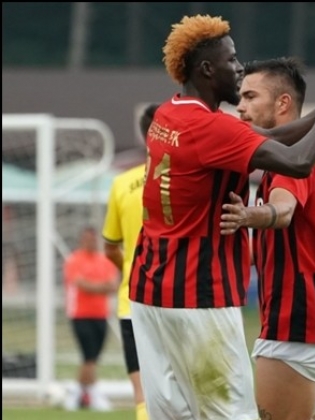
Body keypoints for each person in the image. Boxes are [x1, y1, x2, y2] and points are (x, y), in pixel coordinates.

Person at [127, 14, 315, 420]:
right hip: (199, 296)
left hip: (150, 293)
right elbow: (298, 161)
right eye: (231, 60)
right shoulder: (211, 129)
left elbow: (268, 138)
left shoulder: (168, 114)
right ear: (206, 69)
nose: (238, 67)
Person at [219, 54, 315, 420]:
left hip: (295, 322)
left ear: (282, 103)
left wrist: (248, 216)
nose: (240, 106)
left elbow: (283, 212)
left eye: (250, 97)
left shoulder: (292, 161)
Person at [101, 103, 158, 420]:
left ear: (141, 135)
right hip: (178, 298)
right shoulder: (187, 179)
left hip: (132, 298)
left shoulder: (122, 183)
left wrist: (131, 266)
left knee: (142, 396)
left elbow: (110, 247)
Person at [62, 225, 119, 411]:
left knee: (93, 358)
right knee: (89, 355)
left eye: (94, 238)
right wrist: (100, 287)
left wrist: (94, 287)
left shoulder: (105, 261)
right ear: (82, 240)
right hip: (80, 315)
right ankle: (90, 394)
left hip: (101, 315)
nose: (91, 242)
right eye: (88, 238)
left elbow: (113, 285)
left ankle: (79, 392)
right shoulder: (74, 260)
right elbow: (81, 284)